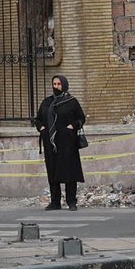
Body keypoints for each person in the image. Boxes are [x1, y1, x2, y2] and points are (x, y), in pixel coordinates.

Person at [37, 74, 86, 211]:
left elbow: (81, 118)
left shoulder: (71, 101)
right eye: (54, 84)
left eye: (59, 84)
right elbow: (38, 118)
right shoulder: (47, 102)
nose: (56, 87)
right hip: (51, 143)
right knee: (53, 172)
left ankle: (71, 201)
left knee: (70, 172)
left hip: (67, 143)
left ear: (64, 85)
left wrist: (72, 126)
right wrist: (41, 128)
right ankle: (55, 202)